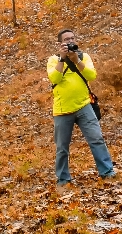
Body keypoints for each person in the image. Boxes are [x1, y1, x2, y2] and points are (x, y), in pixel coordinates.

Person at [46, 29, 116, 190]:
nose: (70, 42)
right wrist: (62, 59)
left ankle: (107, 171)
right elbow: (54, 78)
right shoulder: (53, 60)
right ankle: (63, 179)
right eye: (66, 40)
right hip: (62, 110)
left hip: (84, 105)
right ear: (60, 44)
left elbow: (91, 75)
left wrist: (76, 60)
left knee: (96, 138)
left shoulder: (84, 57)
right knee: (62, 147)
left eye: (72, 38)